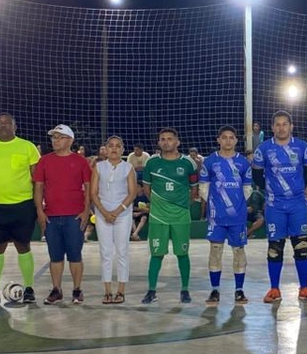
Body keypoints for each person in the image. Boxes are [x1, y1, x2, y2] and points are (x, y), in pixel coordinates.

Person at [0, 113, 42, 306]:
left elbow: (37, 180)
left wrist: (38, 205)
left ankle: (29, 288)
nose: (3, 126)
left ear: (15, 126)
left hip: (22, 205)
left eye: (7, 123)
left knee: (23, 246)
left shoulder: (27, 147)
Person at [252, 111, 307, 304]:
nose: (281, 128)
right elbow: (257, 175)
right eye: (278, 124)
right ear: (272, 127)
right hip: (275, 206)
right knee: (275, 248)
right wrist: (273, 190)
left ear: (291, 126)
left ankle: (304, 288)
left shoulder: (302, 147)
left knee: (301, 246)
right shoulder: (263, 149)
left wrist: (296, 188)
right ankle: (274, 289)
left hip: (297, 205)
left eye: (285, 124)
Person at [34, 124, 92, 305]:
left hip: (74, 216)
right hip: (51, 216)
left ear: (70, 140)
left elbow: (89, 187)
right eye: (54, 137)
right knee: (55, 256)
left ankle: (77, 289)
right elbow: (38, 188)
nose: (55, 140)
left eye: (60, 137)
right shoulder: (44, 161)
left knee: (75, 255)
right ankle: (56, 289)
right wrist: (40, 211)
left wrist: (86, 211)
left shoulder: (81, 162)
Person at [140, 127, 197, 304]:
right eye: (163, 139)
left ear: (177, 142)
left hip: (181, 216)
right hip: (158, 217)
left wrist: (182, 205)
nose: (166, 142)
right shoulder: (151, 163)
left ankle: (185, 290)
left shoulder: (188, 163)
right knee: (156, 254)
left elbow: (194, 190)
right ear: (159, 142)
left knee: (182, 253)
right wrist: (159, 205)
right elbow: (146, 188)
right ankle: (151, 291)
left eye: (169, 139)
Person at [199, 126, 252, 305]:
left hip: (237, 217)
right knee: (215, 251)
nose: (228, 140)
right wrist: (217, 205)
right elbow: (203, 188)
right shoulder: (209, 161)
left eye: (231, 137)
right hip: (216, 217)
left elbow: (247, 189)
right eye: (224, 137)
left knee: (239, 251)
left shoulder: (243, 163)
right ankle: (215, 290)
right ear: (218, 140)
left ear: (236, 140)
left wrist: (235, 206)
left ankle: (239, 290)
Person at [91, 135, 137, 304]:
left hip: (122, 214)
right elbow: (93, 193)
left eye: (118, 146)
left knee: (122, 251)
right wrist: (104, 212)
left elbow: (132, 193)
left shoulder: (128, 168)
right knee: (105, 252)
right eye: (111, 145)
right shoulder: (98, 167)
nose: (114, 148)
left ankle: (121, 291)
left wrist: (117, 212)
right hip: (102, 214)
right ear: (106, 149)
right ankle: (107, 291)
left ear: (123, 149)